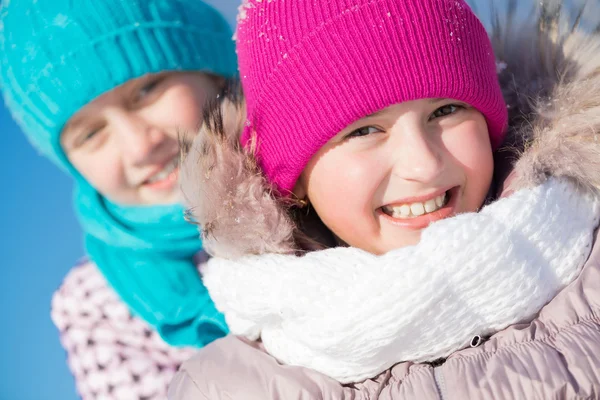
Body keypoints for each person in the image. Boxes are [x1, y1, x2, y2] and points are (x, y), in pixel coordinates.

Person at [169, 0, 600, 398]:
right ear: (293, 179)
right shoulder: (226, 388)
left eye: (445, 110)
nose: (424, 165)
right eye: (363, 131)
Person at [0, 0, 237, 398]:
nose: (139, 146)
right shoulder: (97, 305)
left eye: (146, 90)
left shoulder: (327, 177)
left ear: (212, 71)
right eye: (91, 134)